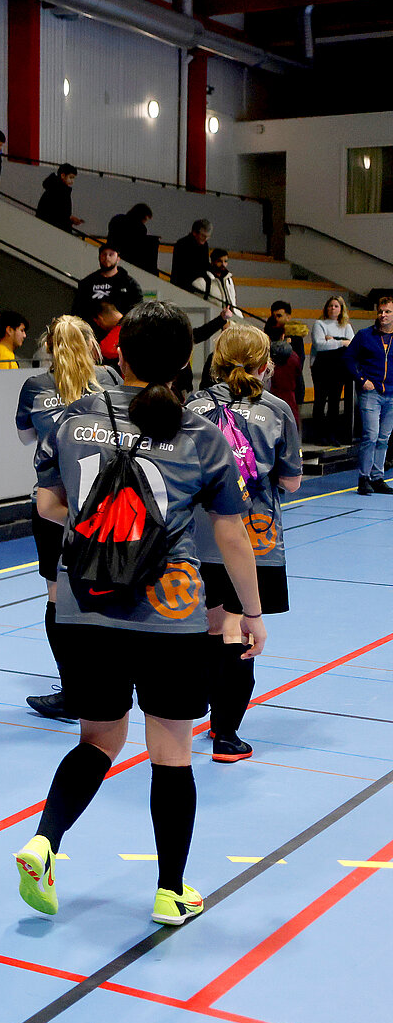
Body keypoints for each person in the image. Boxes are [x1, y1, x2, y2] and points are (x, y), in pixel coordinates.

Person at [16, 300, 265, 928]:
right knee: (170, 749)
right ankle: (170, 890)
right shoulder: (201, 434)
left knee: (98, 738)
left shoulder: (73, 420)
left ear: (118, 353)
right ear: (185, 360)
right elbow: (232, 535)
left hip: (83, 607)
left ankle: (44, 842)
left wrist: (102, 527)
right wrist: (251, 611)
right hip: (169, 613)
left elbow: (47, 502)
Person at [188, 324, 301, 764]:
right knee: (238, 630)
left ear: (216, 361)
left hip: (196, 534)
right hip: (253, 534)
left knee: (213, 625)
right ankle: (226, 734)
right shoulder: (276, 409)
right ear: (264, 364)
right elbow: (290, 482)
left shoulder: (191, 406)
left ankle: (207, 713)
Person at [14, 315, 121, 720]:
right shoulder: (109, 378)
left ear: (48, 347)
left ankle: (72, 689)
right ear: (92, 344)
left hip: (57, 504)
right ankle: (111, 682)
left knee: (59, 600)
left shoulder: (36, 387)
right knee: (111, 590)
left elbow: (27, 437)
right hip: (114, 506)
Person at [346, 295, 393, 495]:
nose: (383, 315)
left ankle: (377, 477)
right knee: (371, 436)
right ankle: (363, 477)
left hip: (392, 393)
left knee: (384, 437)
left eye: (387, 311)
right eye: (381, 311)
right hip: (371, 392)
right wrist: (361, 379)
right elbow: (348, 358)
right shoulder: (365, 335)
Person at [309, 295, 354, 443]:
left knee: (335, 402)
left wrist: (333, 340)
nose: (333, 308)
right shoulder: (319, 324)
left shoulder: (346, 326)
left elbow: (352, 344)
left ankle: (332, 435)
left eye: (336, 306)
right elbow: (320, 345)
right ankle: (318, 435)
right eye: (330, 306)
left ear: (341, 309)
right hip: (322, 367)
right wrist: (342, 342)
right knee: (320, 400)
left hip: (339, 368)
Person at [70, 243, 142, 326]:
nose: (107, 257)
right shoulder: (87, 283)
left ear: (118, 258)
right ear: (99, 257)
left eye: (111, 254)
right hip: (91, 331)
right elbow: (77, 310)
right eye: (104, 254)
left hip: (120, 332)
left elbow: (138, 312)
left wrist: (120, 320)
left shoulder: (130, 284)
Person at [264, 302, 304, 432]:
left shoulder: (263, 355)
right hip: (286, 397)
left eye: (279, 315)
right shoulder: (293, 357)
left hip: (275, 397)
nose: (277, 319)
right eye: (274, 316)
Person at [105, 204, 156, 274]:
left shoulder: (117, 219)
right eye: (145, 220)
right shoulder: (140, 228)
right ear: (142, 216)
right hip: (129, 260)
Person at [170, 219, 213, 291]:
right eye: (203, 236)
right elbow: (183, 269)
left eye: (208, 237)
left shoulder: (204, 245)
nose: (205, 239)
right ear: (194, 233)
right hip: (183, 285)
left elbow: (205, 264)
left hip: (198, 284)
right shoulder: (182, 244)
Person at [35, 164, 81, 232]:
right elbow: (57, 214)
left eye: (73, 178)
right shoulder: (59, 191)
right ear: (63, 175)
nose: (72, 181)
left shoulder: (54, 188)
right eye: (70, 177)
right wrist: (69, 219)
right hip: (55, 231)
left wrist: (69, 219)